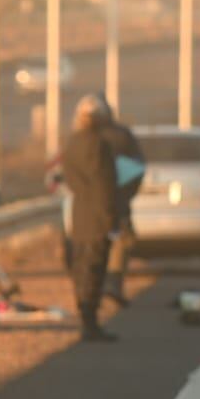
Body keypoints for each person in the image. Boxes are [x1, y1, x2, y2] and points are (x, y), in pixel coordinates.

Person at [59, 94, 122, 342]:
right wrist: (111, 220)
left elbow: (71, 179)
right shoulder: (101, 145)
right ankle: (90, 322)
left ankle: (85, 317)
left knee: (81, 269)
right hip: (98, 218)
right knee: (95, 271)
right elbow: (105, 184)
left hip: (79, 216)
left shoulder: (71, 143)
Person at [98, 101, 145, 308]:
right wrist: (127, 193)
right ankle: (113, 284)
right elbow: (138, 167)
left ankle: (101, 289)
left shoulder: (87, 137)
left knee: (97, 247)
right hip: (118, 202)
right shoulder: (123, 136)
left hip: (94, 206)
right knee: (122, 243)